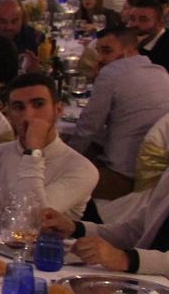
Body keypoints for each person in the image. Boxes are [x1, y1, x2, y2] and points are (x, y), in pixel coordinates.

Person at [0, 73, 97, 221]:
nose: (28, 115)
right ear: (9, 114)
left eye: (38, 104)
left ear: (58, 110)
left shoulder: (81, 169)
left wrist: (33, 151)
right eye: (18, 107)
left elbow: (31, 220)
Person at [66, 26, 169, 199]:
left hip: (124, 176)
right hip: (159, 173)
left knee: (56, 178)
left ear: (130, 51)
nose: (100, 58)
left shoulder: (112, 72)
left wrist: (65, 161)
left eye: (106, 51)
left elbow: (88, 127)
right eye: (98, 51)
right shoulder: (160, 72)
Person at [124, 0, 169, 72]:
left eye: (143, 19)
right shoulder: (129, 41)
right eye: (132, 18)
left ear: (160, 23)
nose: (135, 24)